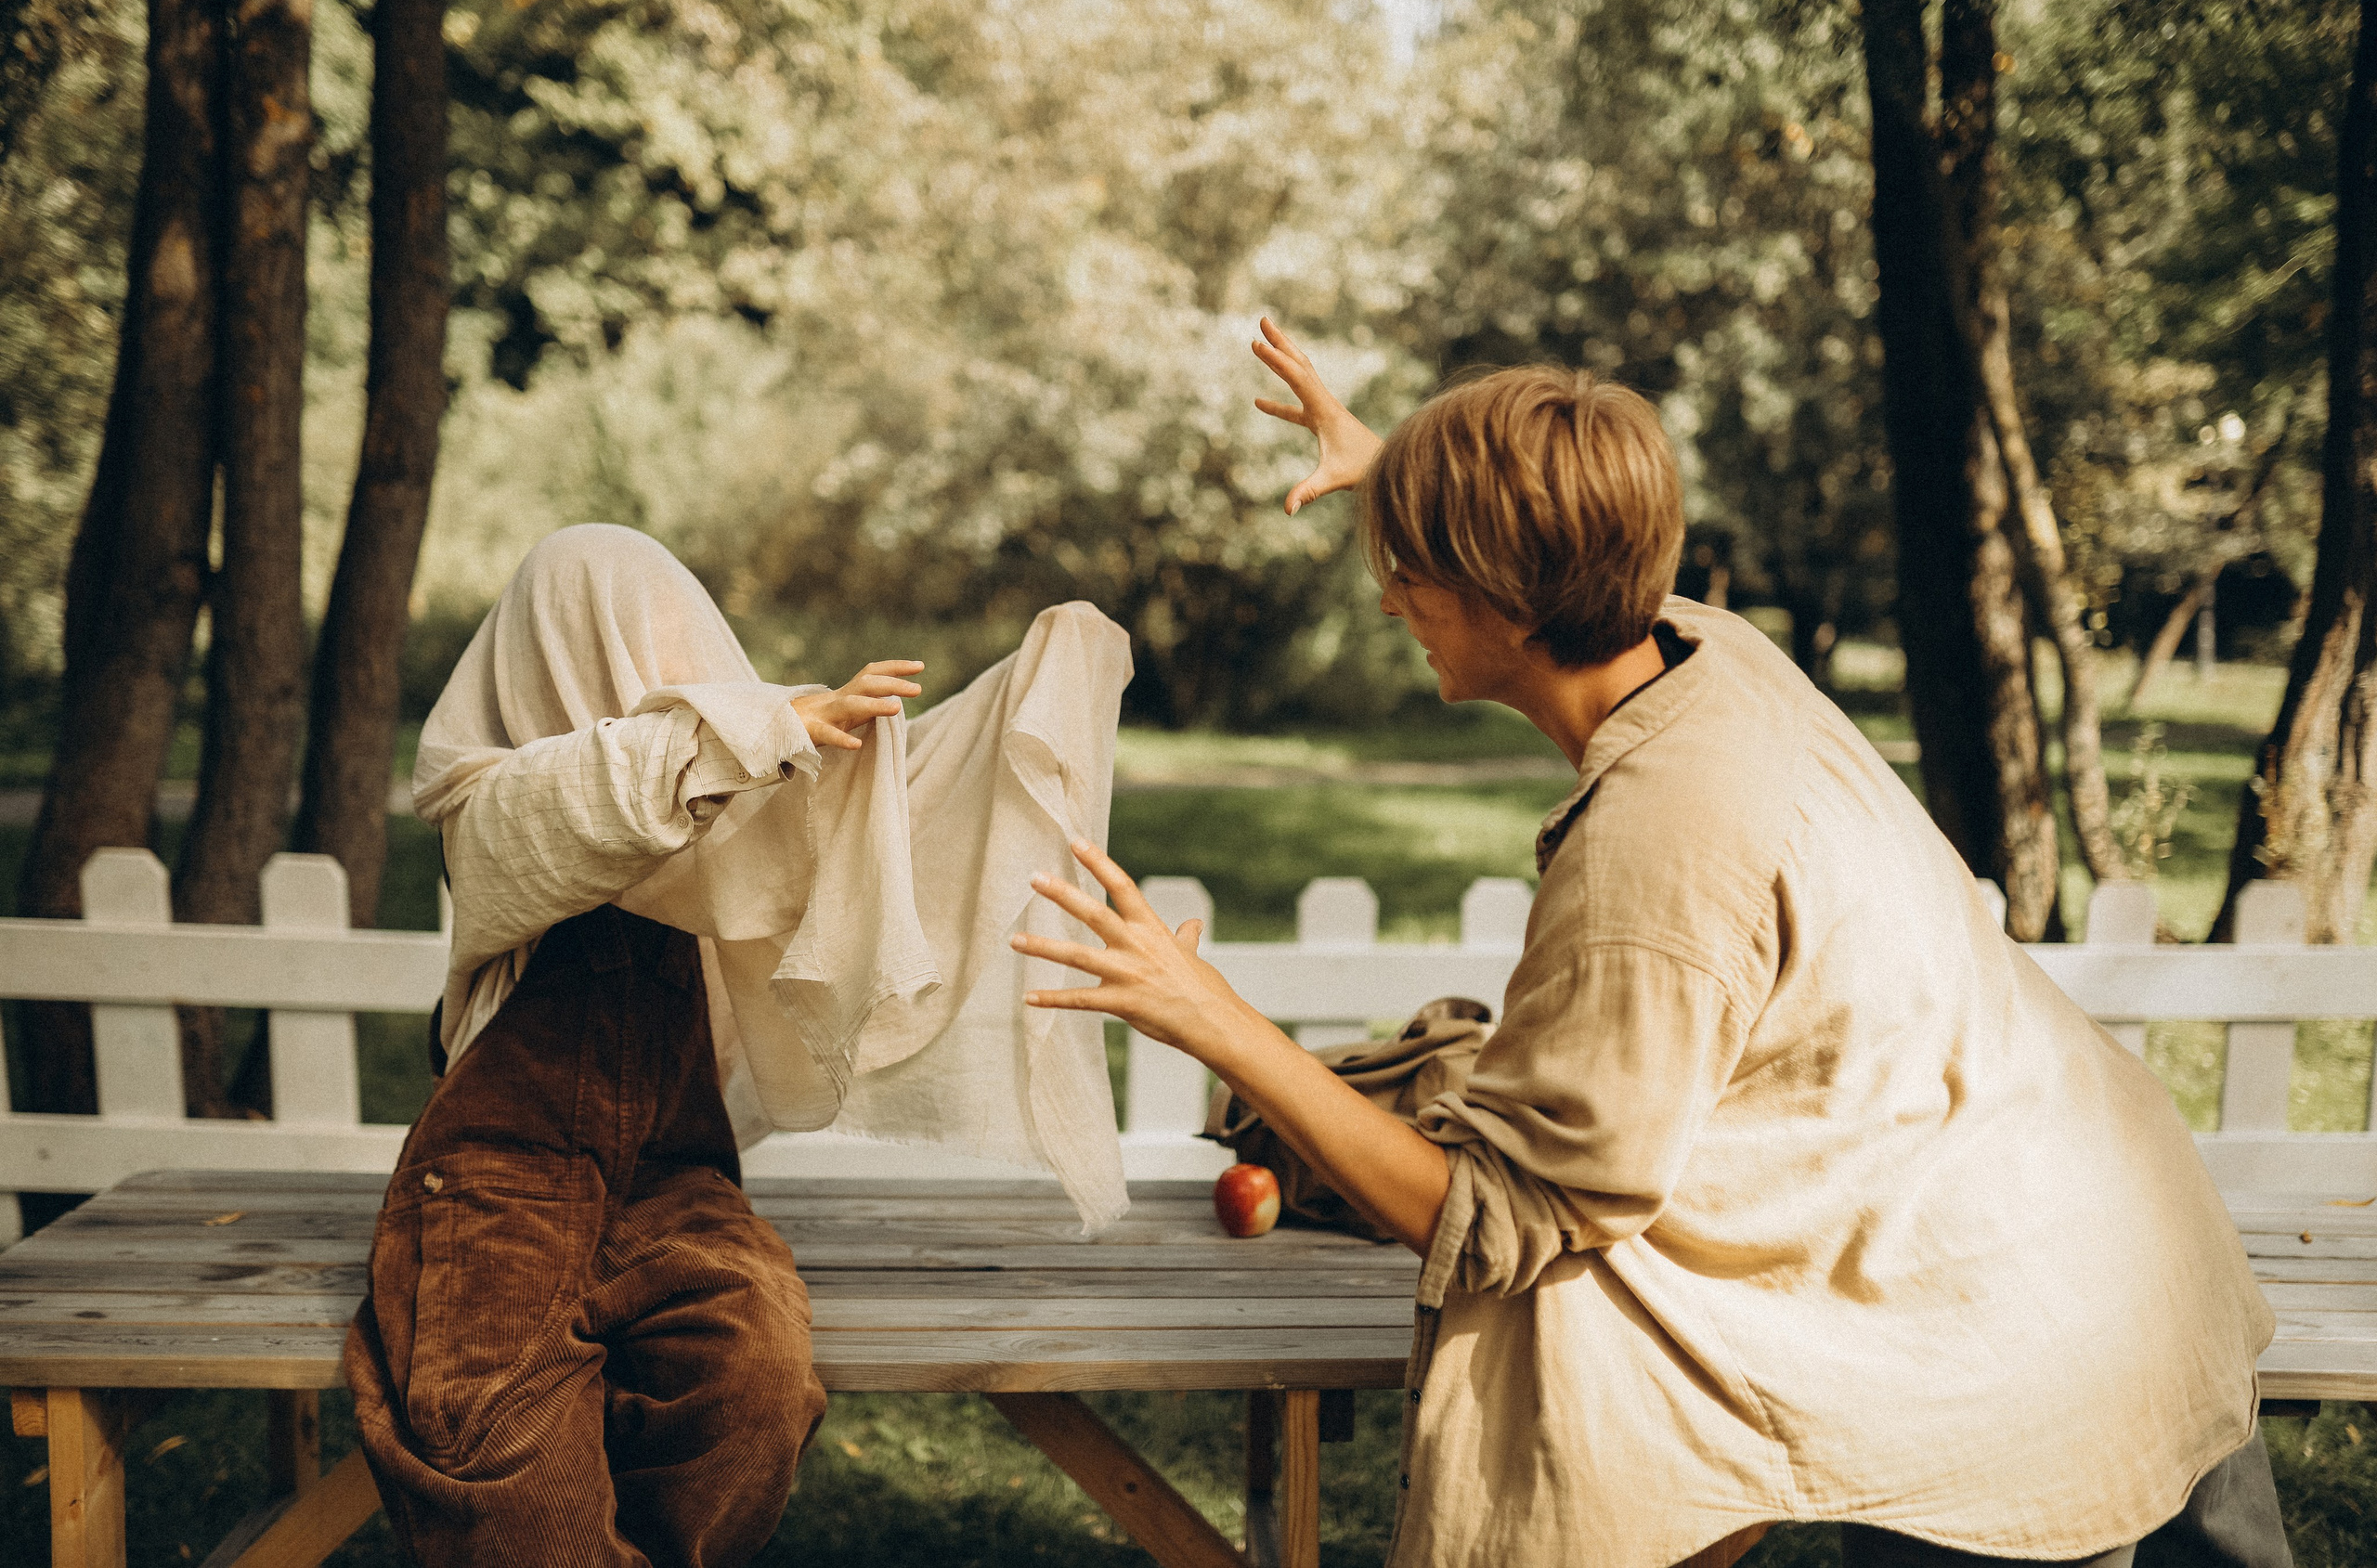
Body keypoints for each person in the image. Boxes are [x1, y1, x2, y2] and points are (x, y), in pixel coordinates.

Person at [1011, 320, 2288, 1568]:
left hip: (1997, 1343)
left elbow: (1503, 1216)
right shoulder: (1702, 644)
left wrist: (1213, 1017)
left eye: (1412, 566)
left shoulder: (1656, 854)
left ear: (1508, 598)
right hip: (2126, 1228)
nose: (1388, 591)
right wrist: (1401, 467)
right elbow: (1562, 536)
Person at [347, 524, 1133, 1564]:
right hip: (502, 1177)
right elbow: (577, 802)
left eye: (685, 678)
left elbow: (869, 831)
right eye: (639, 667)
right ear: (557, 651)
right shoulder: (494, 810)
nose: (676, 699)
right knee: (489, 1432)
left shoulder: (712, 814)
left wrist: (1028, 695)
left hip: (674, 1180)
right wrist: (731, 735)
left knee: (756, 1378)